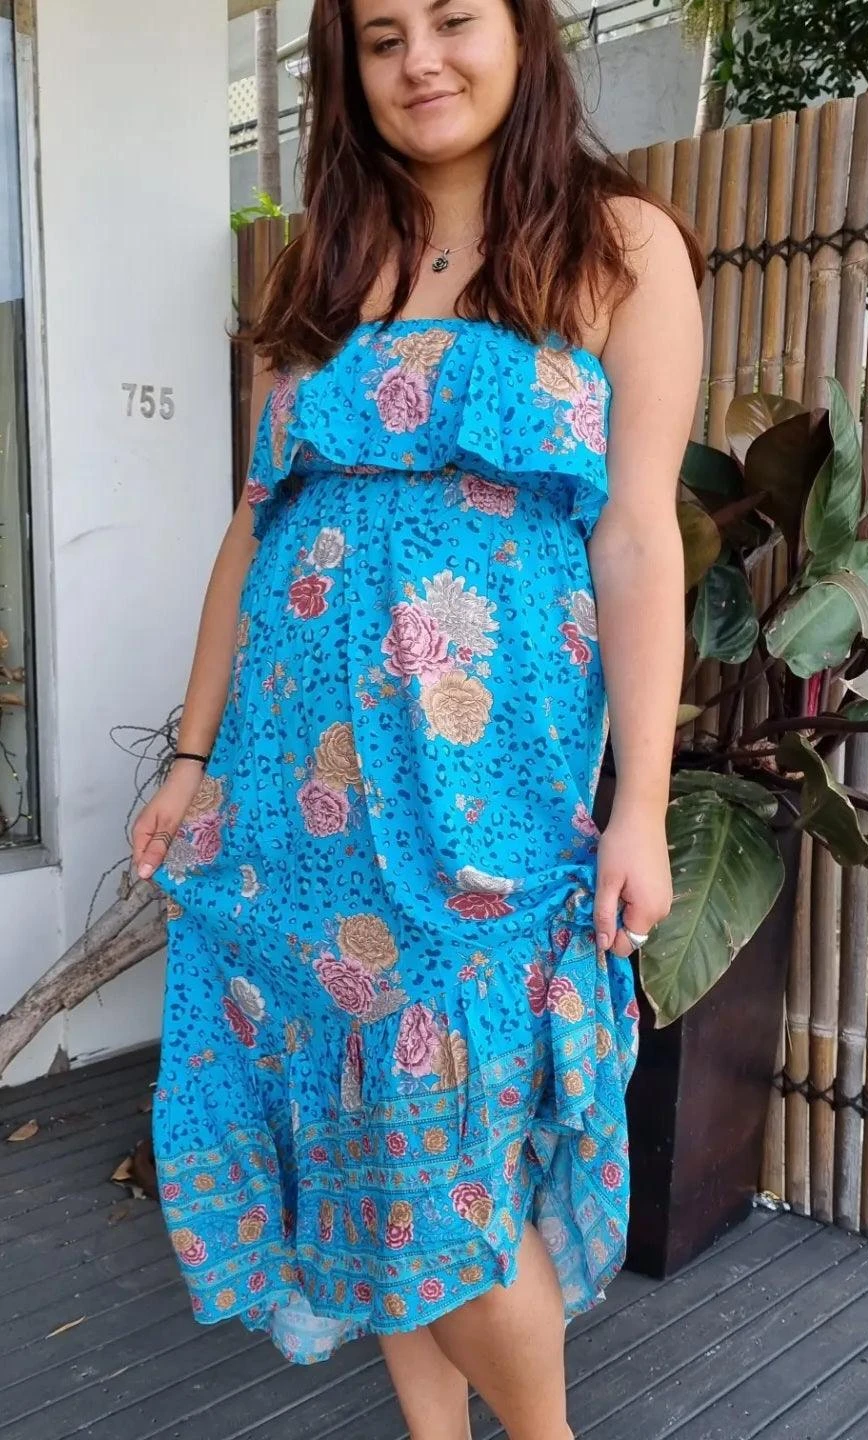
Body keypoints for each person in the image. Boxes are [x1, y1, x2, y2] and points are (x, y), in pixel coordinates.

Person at [131, 0, 703, 1435]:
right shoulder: (318, 267)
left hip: (485, 805)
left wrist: (641, 803)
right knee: (357, 1139)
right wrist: (191, 758)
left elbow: (639, 538)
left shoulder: (618, 249)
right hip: (290, 803)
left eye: (452, 20)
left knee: (444, 1165)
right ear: (349, 69)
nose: (420, 61)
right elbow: (252, 534)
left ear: (523, 35)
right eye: (381, 37)